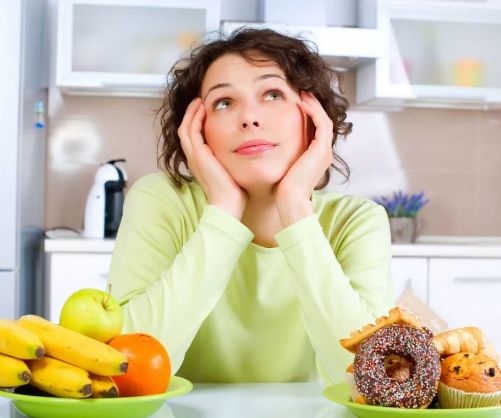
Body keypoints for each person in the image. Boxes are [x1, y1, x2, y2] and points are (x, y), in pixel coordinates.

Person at [108, 28, 394, 385]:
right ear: (198, 131)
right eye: (224, 102)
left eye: (273, 94)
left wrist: (295, 209)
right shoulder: (161, 200)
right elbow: (127, 369)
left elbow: (368, 382)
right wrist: (224, 211)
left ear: (313, 118)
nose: (249, 118)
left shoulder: (357, 221)